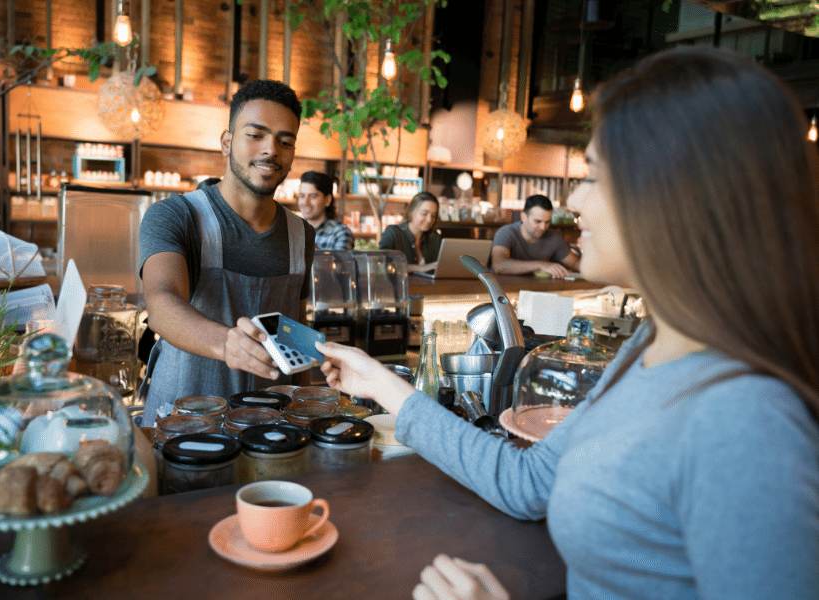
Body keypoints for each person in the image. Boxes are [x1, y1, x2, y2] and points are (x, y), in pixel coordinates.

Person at [316, 47, 818, 599]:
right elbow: (528, 482)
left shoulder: (747, 425)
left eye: (595, 177)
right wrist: (380, 383)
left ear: (675, 199)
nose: (572, 201)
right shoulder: (648, 349)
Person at [138, 80, 315, 425]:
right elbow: (161, 303)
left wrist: (308, 402)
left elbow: (296, 324)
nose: (271, 150)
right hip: (182, 426)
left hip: (268, 429)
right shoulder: (177, 216)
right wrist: (227, 343)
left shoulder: (301, 234)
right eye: (255, 135)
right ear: (227, 142)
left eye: (285, 140)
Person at [490, 194, 580, 279]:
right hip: (503, 290)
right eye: (538, 221)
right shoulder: (506, 233)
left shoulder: (554, 238)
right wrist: (542, 265)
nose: (543, 227)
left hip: (539, 290)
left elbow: (576, 264)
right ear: (523, 217)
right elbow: (499, 265)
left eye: (547, 222)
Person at [379, 191, 443, 273]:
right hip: (399, 285)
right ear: (411, 212)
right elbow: (382, 263)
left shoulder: (435, 238)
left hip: (430, 286)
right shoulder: (393, 233)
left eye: (433, 215)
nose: (429, 220)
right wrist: (421, 268)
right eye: (424, 213)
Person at [297, 171, 354, 251]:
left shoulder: (340, 233)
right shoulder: (294, 230)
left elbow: (339, 263)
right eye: (302, 196)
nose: (305, 203)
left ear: (327, 200)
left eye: (313, 196)